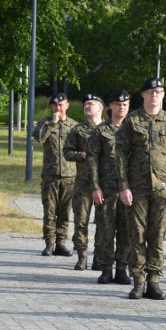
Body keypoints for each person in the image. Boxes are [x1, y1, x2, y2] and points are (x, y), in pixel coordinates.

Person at [116, 78, 166, 300]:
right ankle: (138, 281)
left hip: (162, 190)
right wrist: (123, 186)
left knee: (157, 237)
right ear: (143, 95)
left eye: (158, 91)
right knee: (137, 235)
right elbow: (119, 155)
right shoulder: (132, 121)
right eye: (150, 91)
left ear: (163, 95)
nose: (155, 95)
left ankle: (154, 281)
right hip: (137, 189)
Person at [87, 90, 133, 285]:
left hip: (129, 190)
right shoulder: (101, 131)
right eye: (117, 104)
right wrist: (95, 187)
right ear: (110, 106)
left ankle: (122, 268)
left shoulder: (134, 129)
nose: (121, 107)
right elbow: (92, 160)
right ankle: (106, 269)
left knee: (126, 231)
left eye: (125, 104)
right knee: (105, 231)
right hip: (106, 189)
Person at [33, 92, 77, 257]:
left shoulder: (74, 126)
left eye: (61, 105)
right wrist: (52, 123)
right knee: (49, 210)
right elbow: (38, 138)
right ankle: (49, 243)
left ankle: (61, 243)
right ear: (52, 107)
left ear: (67, 105)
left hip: (69, 175)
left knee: (65, 211)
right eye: (55, 105)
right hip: (50, 174)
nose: (58, 108)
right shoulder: (45, 123)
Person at [64, 93, 104, 271]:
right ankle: (82, 256)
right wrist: (82, 155)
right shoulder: (77, 130)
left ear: (100, 107)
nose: (87, 106)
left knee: (104, 223)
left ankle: (100, 257)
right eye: (85, 104)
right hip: (83, 182)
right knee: (81, 221)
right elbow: (67, 152)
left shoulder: (109, 129)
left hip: (105, 183)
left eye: (91, 103)